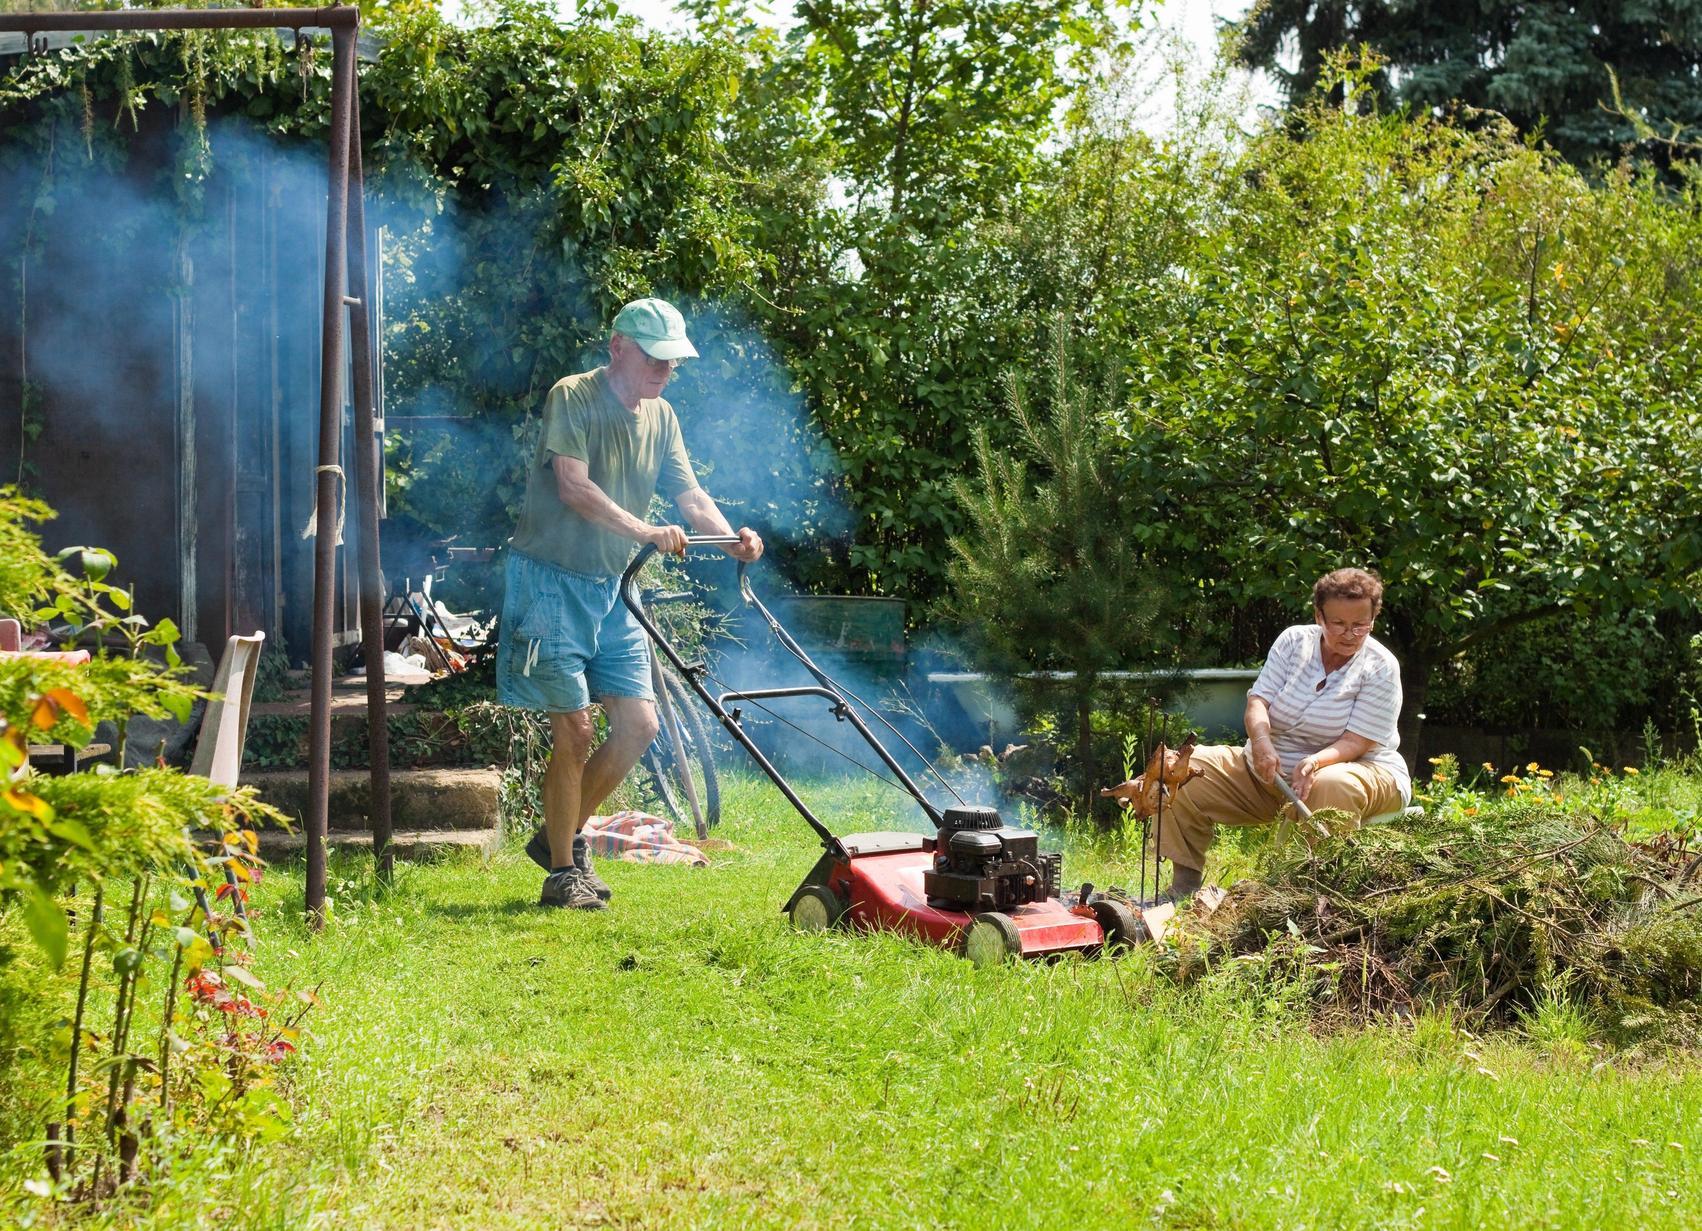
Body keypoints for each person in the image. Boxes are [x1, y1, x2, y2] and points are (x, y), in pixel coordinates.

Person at [497, 297, 762, 910]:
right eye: (655, 359)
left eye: (672, 362)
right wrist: (643, 531)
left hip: (615, 589)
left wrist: (732, 541)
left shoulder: (662, 415)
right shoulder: (574, 396)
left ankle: (554, 837)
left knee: (639, 726)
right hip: (551, 582)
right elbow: (572, 485)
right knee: (575, 729)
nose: (665, 372)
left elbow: (689, 495)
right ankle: (564, 871)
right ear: (618, 347)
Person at [1151, 567, 1409, 900]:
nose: (1349, 634)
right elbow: (1258, 700)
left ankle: (1309, 896)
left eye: (1360, 624)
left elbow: (1357, 741)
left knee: (1332, 784)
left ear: (1374, 617)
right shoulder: (1293, 642)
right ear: (1318, 615)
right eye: (1338, 624)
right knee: (1178, 770)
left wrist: (1314, 763)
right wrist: (1260, 743)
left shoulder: (1381, 666)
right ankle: (1183, 888)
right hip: (1270, 771)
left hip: (1362, 770)